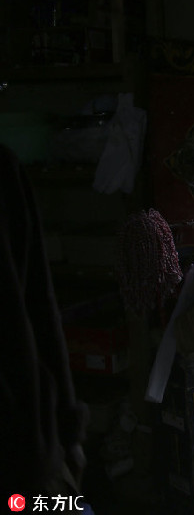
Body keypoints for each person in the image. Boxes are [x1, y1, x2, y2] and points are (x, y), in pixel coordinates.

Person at [0, 144, 88, 502]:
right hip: (23, 444)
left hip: (23, 443)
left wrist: (68, 429)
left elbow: (38, 304)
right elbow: (40, 305)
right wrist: (69, 432)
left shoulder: (3, 171)